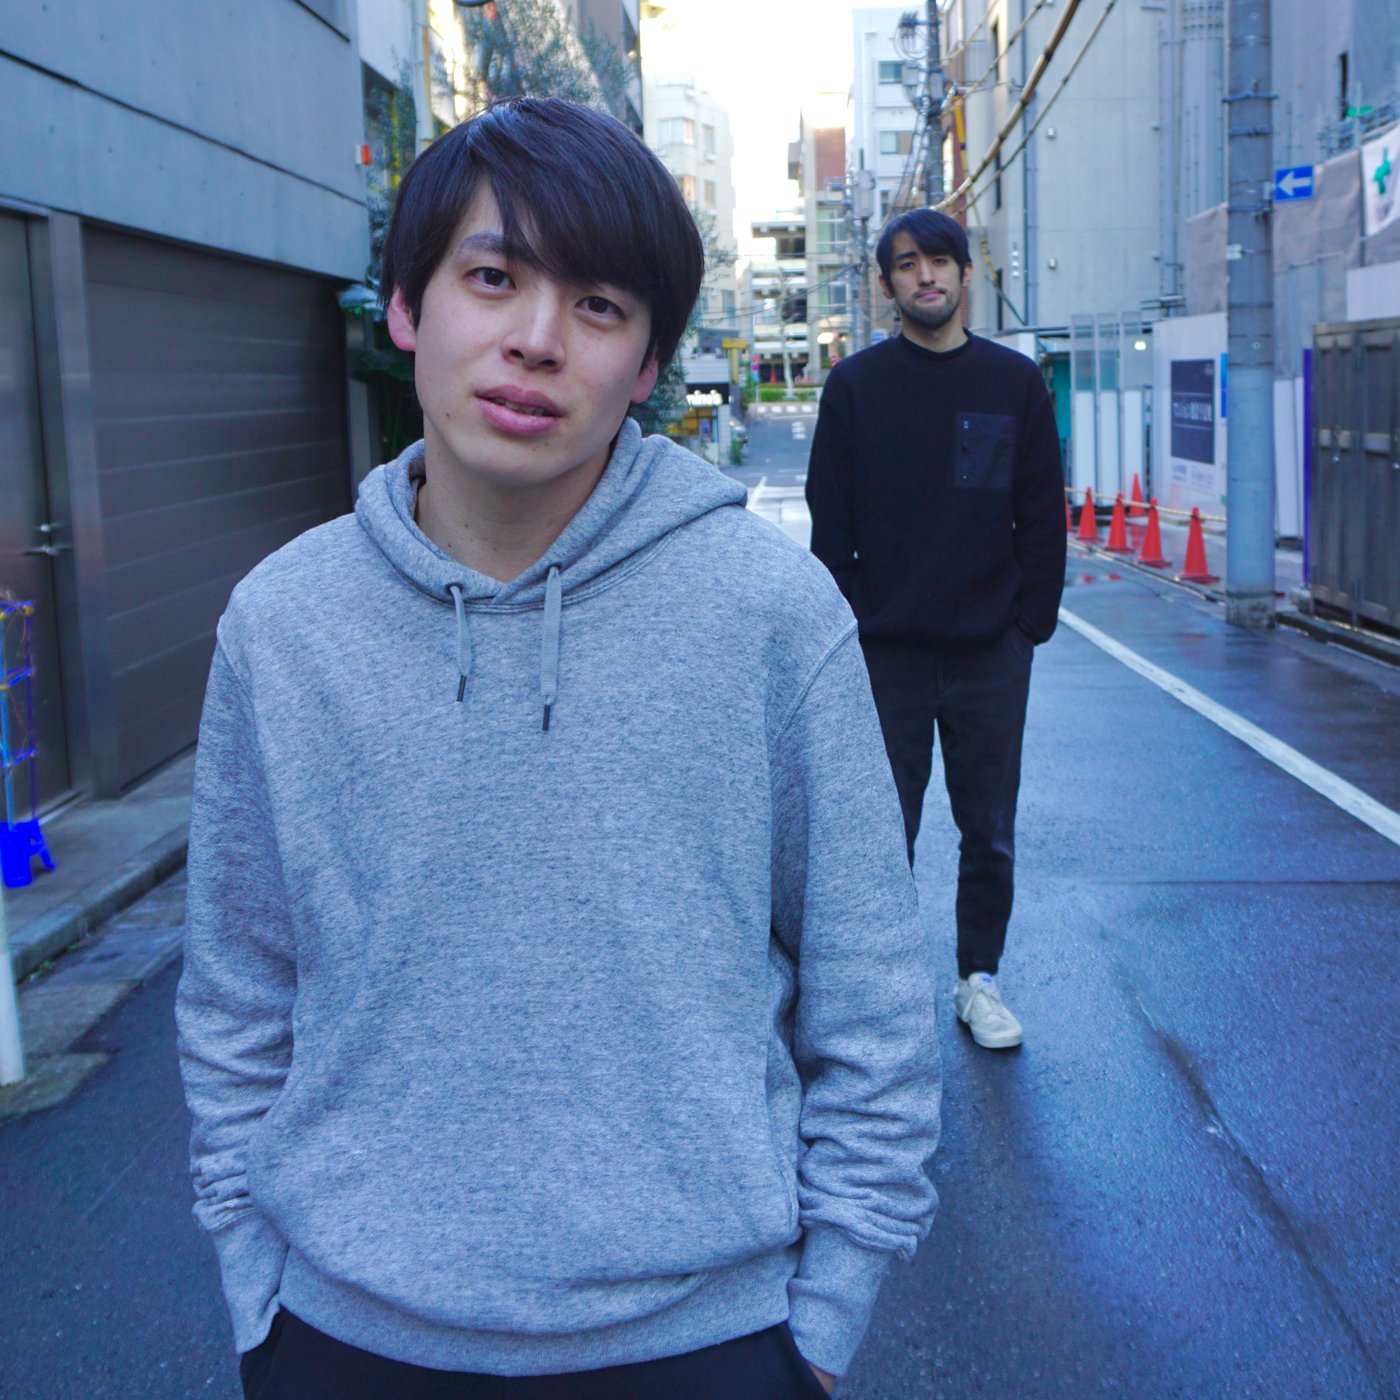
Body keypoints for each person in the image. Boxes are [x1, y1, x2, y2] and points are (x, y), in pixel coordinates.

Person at [176, 98, 940, 1400]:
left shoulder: (768, 615)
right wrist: (259, 1293)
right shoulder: (283, 624)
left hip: (707, 1343)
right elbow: (237, 992)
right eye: (491, 277)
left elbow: (868, 993)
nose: (536, 338)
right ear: (405, 306)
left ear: (646, 365)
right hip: (345, 1338)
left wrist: (820, 1326)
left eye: (597, 304)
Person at [805, 208, 1066, 1052]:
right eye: (909, 263)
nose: (927, 276)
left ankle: (978, 980)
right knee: (883, 834)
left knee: (988, 828)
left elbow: (1042, 511)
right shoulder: (856, 387)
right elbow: (829, 523)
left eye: (941, 261)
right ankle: (882, 993)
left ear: (965, 274)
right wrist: (852, 624)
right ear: (887, 284)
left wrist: (1029, 624)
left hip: (992, 648)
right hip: (887, 653)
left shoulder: (1012, 383)